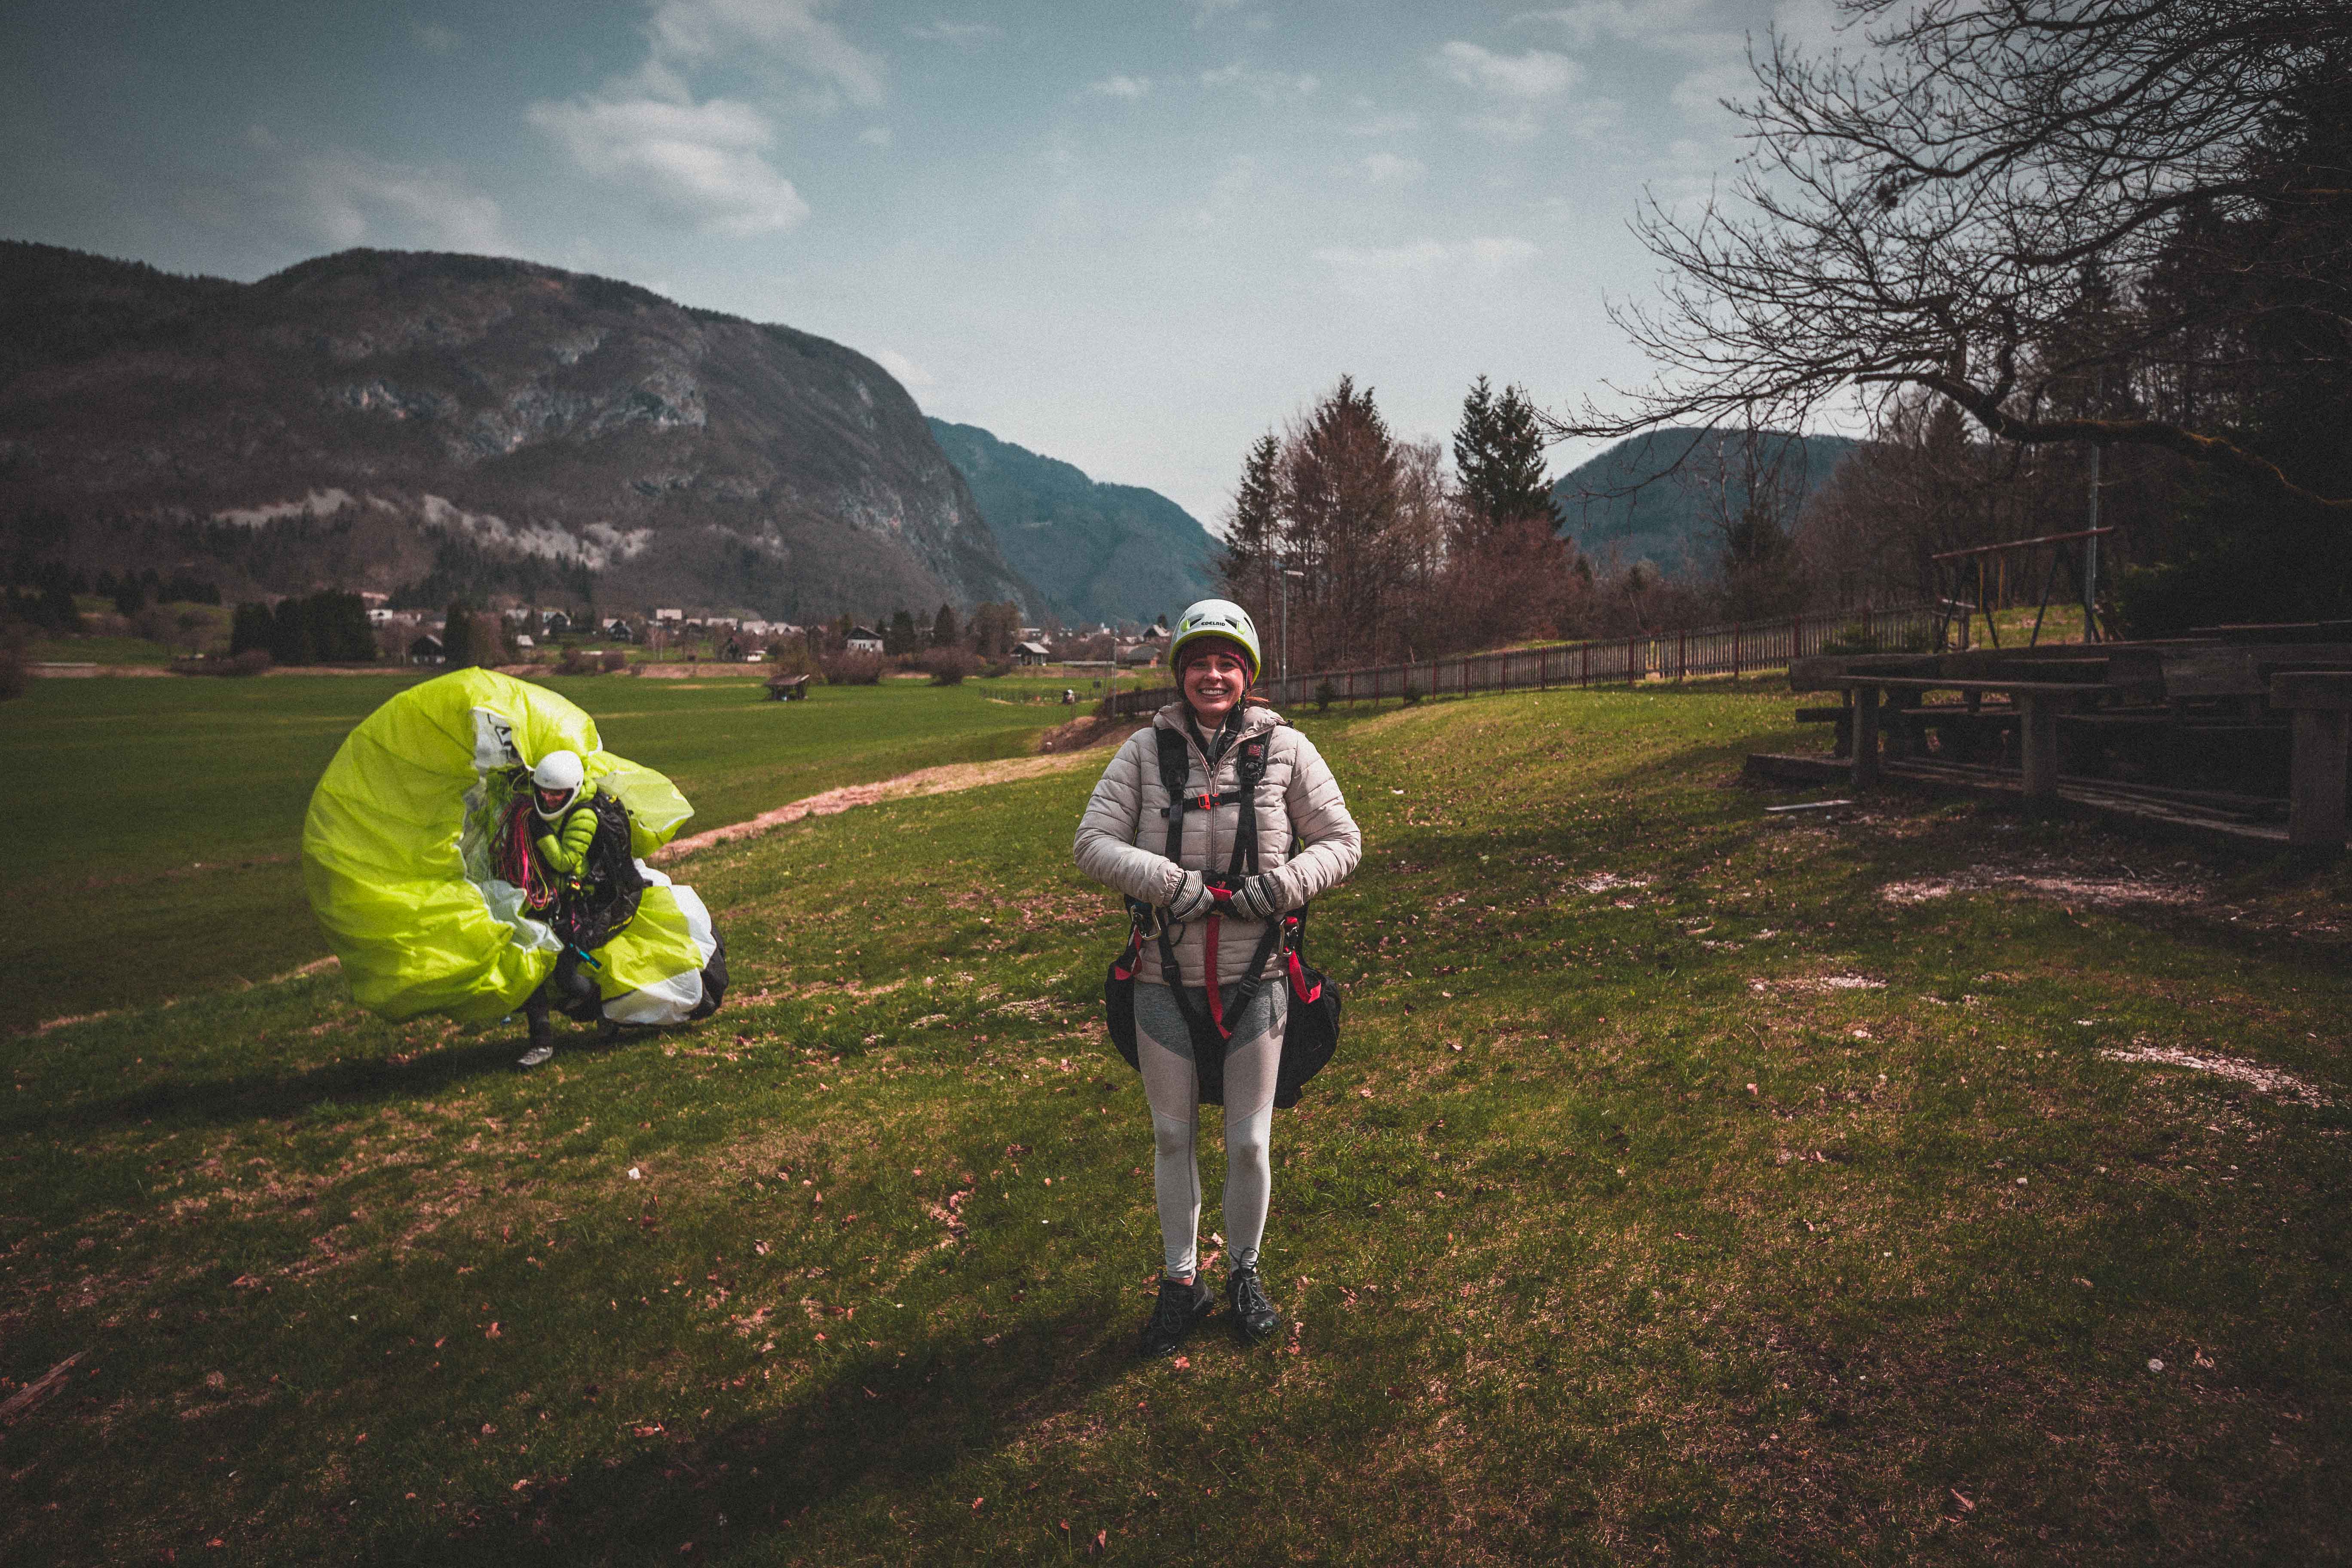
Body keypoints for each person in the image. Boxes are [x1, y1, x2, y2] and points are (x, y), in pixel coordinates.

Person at [1074, 599, 1362, 1357]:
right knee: (1173, 1135)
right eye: (1199, 661)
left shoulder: (1289, 750)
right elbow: (1091, 842)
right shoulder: (1143, 752)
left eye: (1227, 662)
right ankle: (1179, 1281)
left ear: (1249, 674)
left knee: (1250, 1144)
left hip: (1258, 975)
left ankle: (1243, 1271)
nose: (1212, 673)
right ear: (1180, 673)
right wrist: (1168, 883)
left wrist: (1281, 887)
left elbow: (1341, 839)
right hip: (1160, 980)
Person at [502, 749, 644, 1068]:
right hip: (543, 900)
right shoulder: (541, 801)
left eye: (558, 795)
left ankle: (603, 1015)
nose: (550, 800)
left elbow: (566, 862)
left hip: (576, 908)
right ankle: (542, 1043)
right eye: (544, 793)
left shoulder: (585, 815)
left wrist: (540, 833)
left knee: (566, 976)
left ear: (574, 789)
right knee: (530, 969)